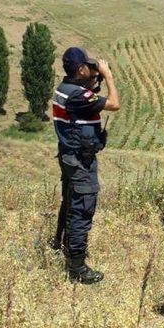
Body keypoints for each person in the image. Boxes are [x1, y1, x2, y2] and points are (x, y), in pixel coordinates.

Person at [50, 47, 120, 284]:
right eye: (88, 67)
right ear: (80, 69)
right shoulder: (78, 96)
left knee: (70, 202)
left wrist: (93, 79)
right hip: (80, 161)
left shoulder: (64, 89)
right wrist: (107, 75)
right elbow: (113, 103)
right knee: (82, 208)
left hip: (69, 156)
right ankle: (76, 266)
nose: (93, 70)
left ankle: (59, 243)